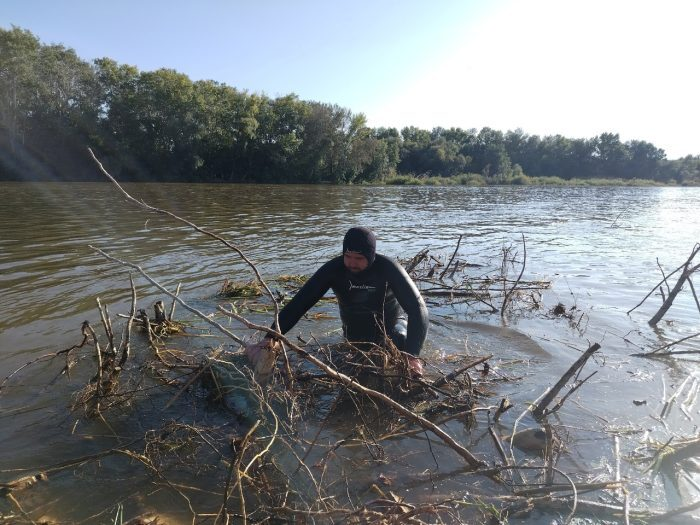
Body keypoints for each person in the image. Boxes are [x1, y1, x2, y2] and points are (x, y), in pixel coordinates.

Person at [246, 227, 429, 375]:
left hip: (391, 334)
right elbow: (299, 304)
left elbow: (418, 309)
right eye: (347, 256)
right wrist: (270, 337)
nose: (351, 263)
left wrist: (412, 356)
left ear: (371, 256)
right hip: (353, 339)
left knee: (403, 342)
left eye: (359, 258)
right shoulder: (334, 270)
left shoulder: (389, 269)